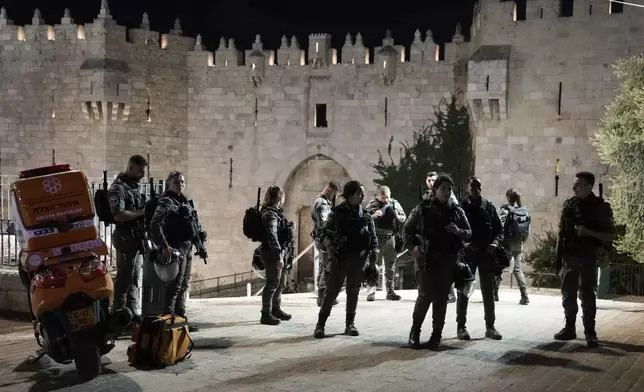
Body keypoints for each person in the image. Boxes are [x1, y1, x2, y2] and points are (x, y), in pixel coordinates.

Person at [404, 174, 471, 349]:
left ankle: (436, 336)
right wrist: (413, 248)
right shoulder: (423, 209)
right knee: (425, 296)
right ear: (435, 190)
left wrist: (458, 231)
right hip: (427, 259)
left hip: (448, 260)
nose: (447, 192)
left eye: (449, 189)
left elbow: (468, 232)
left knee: (441, 299)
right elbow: (407, 230)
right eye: (443, 189)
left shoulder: (456, 210)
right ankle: (415, 332)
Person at [554, 171, 615, 348]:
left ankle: (590, 332)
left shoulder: (600, 207)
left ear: (589, 186)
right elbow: (562, 233)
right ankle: (569, 328)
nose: (574, 187)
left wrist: (589, 233)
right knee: (568, 294)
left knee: (587, 294)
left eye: (578, 185)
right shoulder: (569, 205)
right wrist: (559, 257)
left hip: (587, 256)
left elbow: (610, 235)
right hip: (570, 256)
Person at [313, 181, 378, 339]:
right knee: (332, 292)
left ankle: (350, 323)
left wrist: (372, 258)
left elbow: (373, 237)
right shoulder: (338, 213)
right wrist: (329, 246)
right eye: (358, 194)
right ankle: (320, 325)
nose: (362, 196)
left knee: (353, 291)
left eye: (362, 193)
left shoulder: (365, 214)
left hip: (359, 259)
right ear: (349, 196)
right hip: (341, 257)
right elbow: (321, 232)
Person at [149, 171, 201, 332]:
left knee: (183, 285)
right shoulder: (167, 202)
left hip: (187, 248)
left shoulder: (184, 202)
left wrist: (199, 244)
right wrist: (164, 246)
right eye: (177, 182)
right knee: (174, 287)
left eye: (183, 182)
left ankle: (180, 319)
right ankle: (169, 319)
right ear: (169, 184)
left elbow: (193, 225)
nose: (180, 185)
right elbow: (155, 224)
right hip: (175, 249)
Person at [457, 176, 504, 341]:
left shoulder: (488, 207)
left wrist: (495, 244)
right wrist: (464, 243)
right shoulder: (461, 207)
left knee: (488, 291)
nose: (476, 189)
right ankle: (461, 326)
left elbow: (499, 230)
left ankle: (490, 327)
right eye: (472, 186)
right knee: (464, 290)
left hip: (486, 253)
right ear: (467, 188)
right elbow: (454, 229)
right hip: (469, 253)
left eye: (478, 186)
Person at [108, 154, 147, 319]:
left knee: (136, 276)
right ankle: (119, 314)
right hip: (125, 237)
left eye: (143, 172)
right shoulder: (119, 188)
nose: (142, 176)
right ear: (130, 168)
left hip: (137, 237)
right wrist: (140, 213)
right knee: (125, 277)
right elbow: (118, 215)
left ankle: (132, 312)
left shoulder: (135, 186)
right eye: (139, 172)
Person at [258, 186, 293, 325]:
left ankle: (275, 308)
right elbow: (272, 235)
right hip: (272, 253)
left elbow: (278, 230)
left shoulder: (275, 212)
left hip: (279, 252)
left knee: (281, 281)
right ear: (279, 197)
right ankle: (266, 314)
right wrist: (278, 256)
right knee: (272, 283)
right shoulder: (270, 214)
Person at [366, 186, 406, 301]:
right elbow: (365, 217)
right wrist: (374, 215)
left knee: (391, 267)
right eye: (383, 198)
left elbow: (403, 217)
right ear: (379, 196)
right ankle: (372, 292)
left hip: (390, 238)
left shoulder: (394, 204)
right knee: (374, 266)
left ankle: (390, 291)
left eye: (387, 197)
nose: (386, 200)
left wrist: (397, 216)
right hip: (377, 239)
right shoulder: (373, 204)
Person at [425, 171, 458, 303]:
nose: (431, 182)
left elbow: (456, 214)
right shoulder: (427, 199)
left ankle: (449, 294)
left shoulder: (450, 198)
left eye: (434, 180)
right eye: (429, 180)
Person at [311, 181, 341, 307]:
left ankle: (322, 296)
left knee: (324, 265)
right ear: (329, 190)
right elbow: (324, 224)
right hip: (325, 239)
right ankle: (323, 297)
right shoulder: (322, 204)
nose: (334, 197)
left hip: (321, 238)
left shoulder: (319, 200)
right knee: (328, 266)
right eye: (334, 193)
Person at [499, 188, 530, 305]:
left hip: (506, 241)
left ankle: (494, 293)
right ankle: (524, 295)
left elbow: (500, 225)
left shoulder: (505, 209)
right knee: (517, 268)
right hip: (518, 242)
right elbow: (527, 229)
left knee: (499, 266)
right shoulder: (524, 210)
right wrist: (522, 241)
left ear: (508, 197)